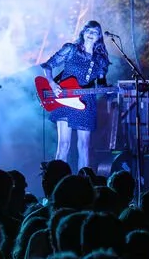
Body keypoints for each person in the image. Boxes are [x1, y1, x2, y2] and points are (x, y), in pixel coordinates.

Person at [40, 20, 110, 173]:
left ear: (99, 37)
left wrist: (108, 91)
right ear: (83, 33)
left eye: (95, 32)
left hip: (86, 101)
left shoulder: (101, 59)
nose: (91, 34)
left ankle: (82, 184)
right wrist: (52, 83)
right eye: (89, 31)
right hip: (65, 98)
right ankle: (56, 181)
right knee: (64, 144)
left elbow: (102, 83)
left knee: (84, 146)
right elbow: (47, 65)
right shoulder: (71, 49)